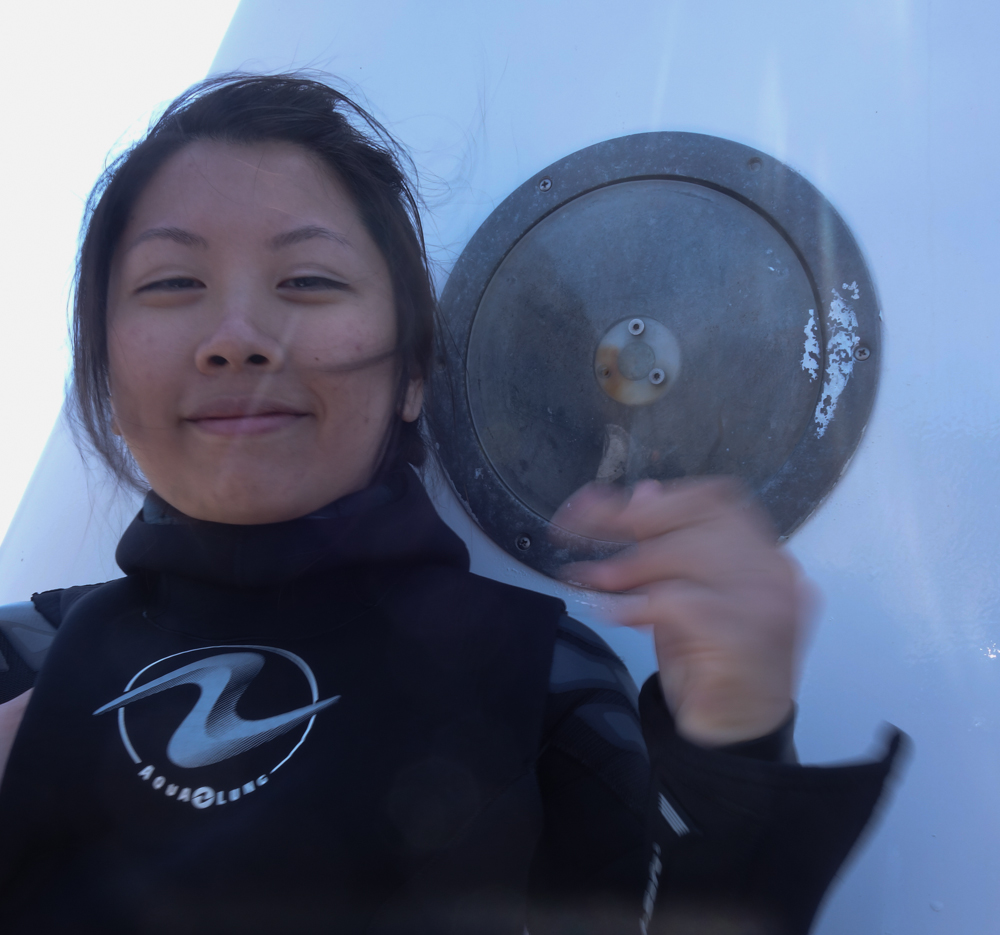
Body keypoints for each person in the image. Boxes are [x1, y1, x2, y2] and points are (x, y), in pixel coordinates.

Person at [0, 75, 902, 935]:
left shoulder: (545, 677)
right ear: (106, 370)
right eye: (171, 283)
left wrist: (734, 750)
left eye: (308, 280)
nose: (235, 339)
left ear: (411, 375)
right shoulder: (22, 653)